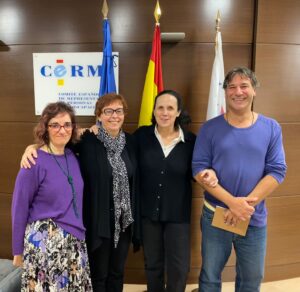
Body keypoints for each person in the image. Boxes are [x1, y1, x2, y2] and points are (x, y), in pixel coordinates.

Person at [20, 93, 140, 292]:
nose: (114, 116)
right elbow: (53, 145)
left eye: (118, 111)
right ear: (98, 116)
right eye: (107, 111)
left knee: (118, 272)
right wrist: (30, 147)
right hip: (98, 221)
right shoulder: (86, 140)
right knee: (98, 274)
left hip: (123, 222)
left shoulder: (131, 142)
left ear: (124, 114)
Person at [192, 67, 287, 292]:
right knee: (210, 275)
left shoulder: (271, 127)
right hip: (216, 214)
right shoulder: (210, 128)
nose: (238, 91)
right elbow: (198, 169)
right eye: (232, 86)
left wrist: (243, 206)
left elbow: (277, 170)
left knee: (251, 278)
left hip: (252, 217)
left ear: (254, 90)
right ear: (225, 92)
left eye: (244, 86)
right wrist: (232, 203)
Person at [134, 90, 217, 292]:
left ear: (178, 111)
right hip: (148, 213)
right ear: (153, 111)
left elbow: (201, 169)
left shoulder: (191, 141)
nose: (164, 112)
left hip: (178, 214)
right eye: (160, 107)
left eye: (170, 108)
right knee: (152, 264)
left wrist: (210, 172)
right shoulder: (140, 136)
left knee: (179, 267)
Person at [12, 102, 92, 291]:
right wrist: (17, 250)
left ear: (73, 128)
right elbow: (19, 207)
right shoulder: (33, 161)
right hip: (44, 245)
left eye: (66, 124)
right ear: (45, 129)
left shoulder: (72, 156)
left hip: (74, 241)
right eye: (54, 125)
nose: (61, 130)